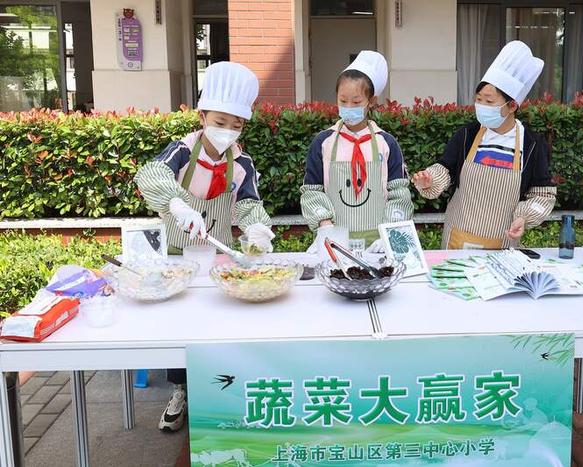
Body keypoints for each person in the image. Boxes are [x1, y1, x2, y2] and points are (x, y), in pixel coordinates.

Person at [134, 61, 274, 431]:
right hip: (178, 255)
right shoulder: (181, 150)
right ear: (202, 116)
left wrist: (257, 228)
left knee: (218, 327)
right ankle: (180, 391)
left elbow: (247, 202)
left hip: (218, 255)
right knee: (179, 327)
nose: (227, 131)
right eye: (221, 121)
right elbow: (151, 174)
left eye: (237, 125)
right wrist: (177, 204)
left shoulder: (241, 161)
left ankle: (220, 391)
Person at [412, 41, 556, 249]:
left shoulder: (531, 144)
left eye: (489, 102)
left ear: (512, 105)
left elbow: (542, 194)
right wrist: (429, 180)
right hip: (457, 239)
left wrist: (524, 217)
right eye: (478, 100)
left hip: (503, 242)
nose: (481, 107)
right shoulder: (468, 134)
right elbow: (446, 168)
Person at [300, 51, 413, 253]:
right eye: (343, 101)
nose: (348, 107)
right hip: (334, 243)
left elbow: (399, 192)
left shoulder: (387, 143)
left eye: (356, 102)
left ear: (371, 101)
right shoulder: (323, 142)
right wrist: (325, 227)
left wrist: (390, 234)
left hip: (378, 244)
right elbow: (312, 190)